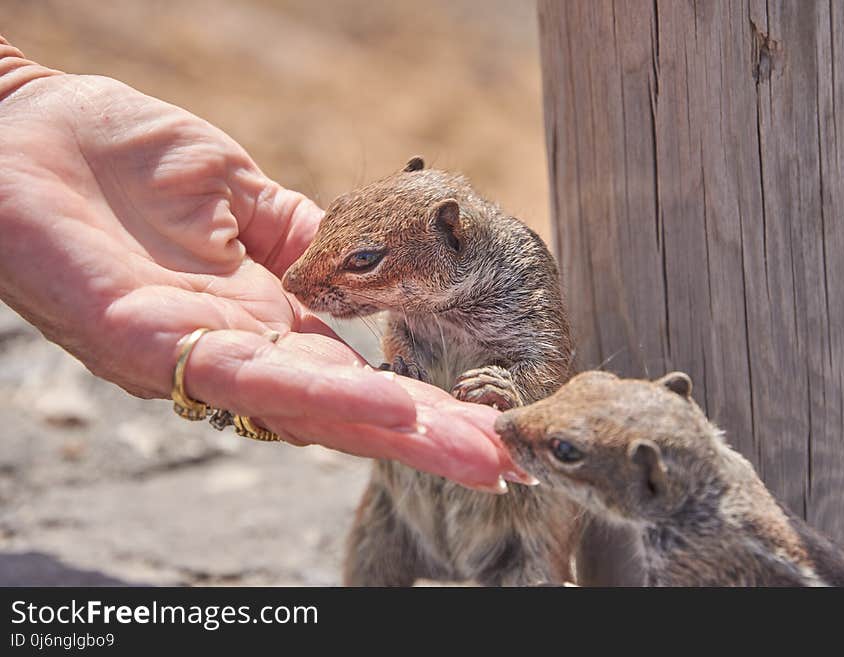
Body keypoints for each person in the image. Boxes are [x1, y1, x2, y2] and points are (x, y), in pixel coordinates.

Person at [0, 35, 529, 492]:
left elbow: (542, 358)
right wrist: (15, 97)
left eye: (364, 260)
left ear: (450, 237)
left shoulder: (515, 281)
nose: (295, 280)